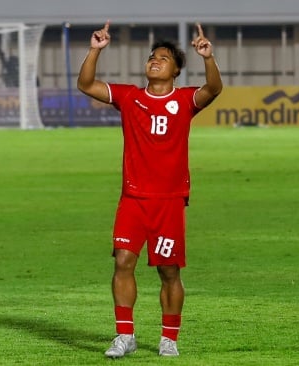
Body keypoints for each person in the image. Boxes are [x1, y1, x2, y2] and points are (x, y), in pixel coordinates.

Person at [77, 21, 222, 358]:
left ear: (175, 71)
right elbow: (86, 84)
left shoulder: (185, 100)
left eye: (164, 59)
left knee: (168, 270)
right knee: (123, 261)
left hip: (169, 201)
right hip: (133, 198)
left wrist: (208, 58)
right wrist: (95, 50)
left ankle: (169, 337)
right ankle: (124, 335)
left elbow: (213, 89)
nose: (155, 61)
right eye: (152, 57)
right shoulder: (129, 97)